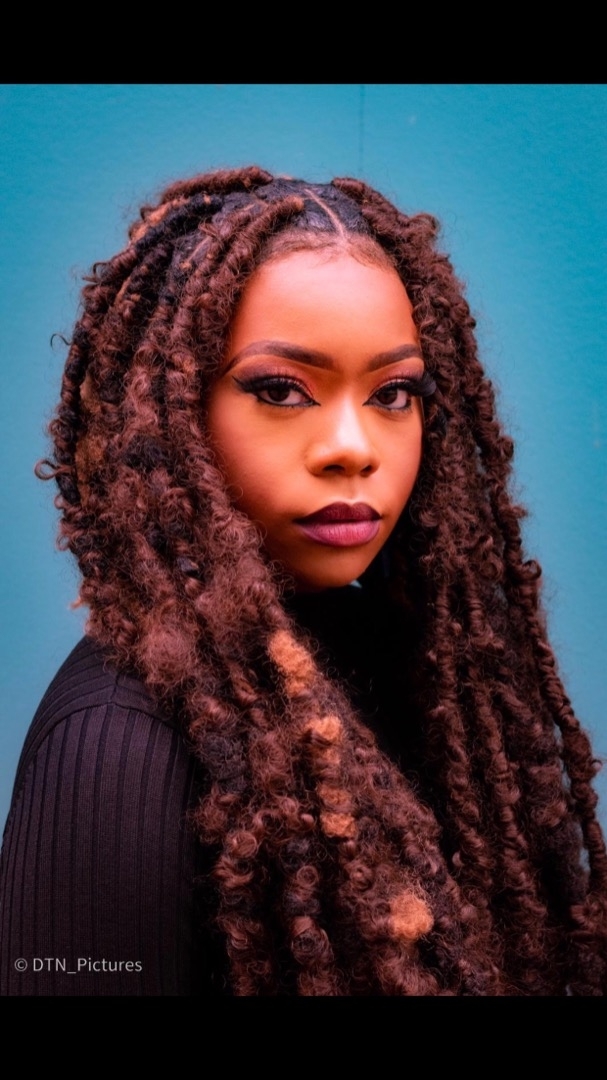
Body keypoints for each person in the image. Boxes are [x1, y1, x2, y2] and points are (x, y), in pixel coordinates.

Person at [1, 166, 606, 996]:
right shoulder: (111, 751)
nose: (352, 447)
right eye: (282, 390)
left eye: (394, 393)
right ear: (167, 414)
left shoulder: (412, 680)